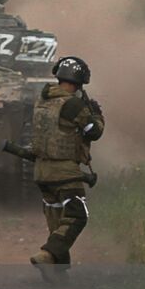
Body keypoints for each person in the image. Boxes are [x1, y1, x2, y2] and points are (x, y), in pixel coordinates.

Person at [29, 55, 105, 266]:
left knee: (57, 225)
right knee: (77, 215)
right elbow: (94, 132)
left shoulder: (42, 99)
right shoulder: (73, 105)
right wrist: (97, 114)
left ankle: (57, 272)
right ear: (78, 83)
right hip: (64, 172)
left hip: (41, 171)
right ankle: (47, 255)